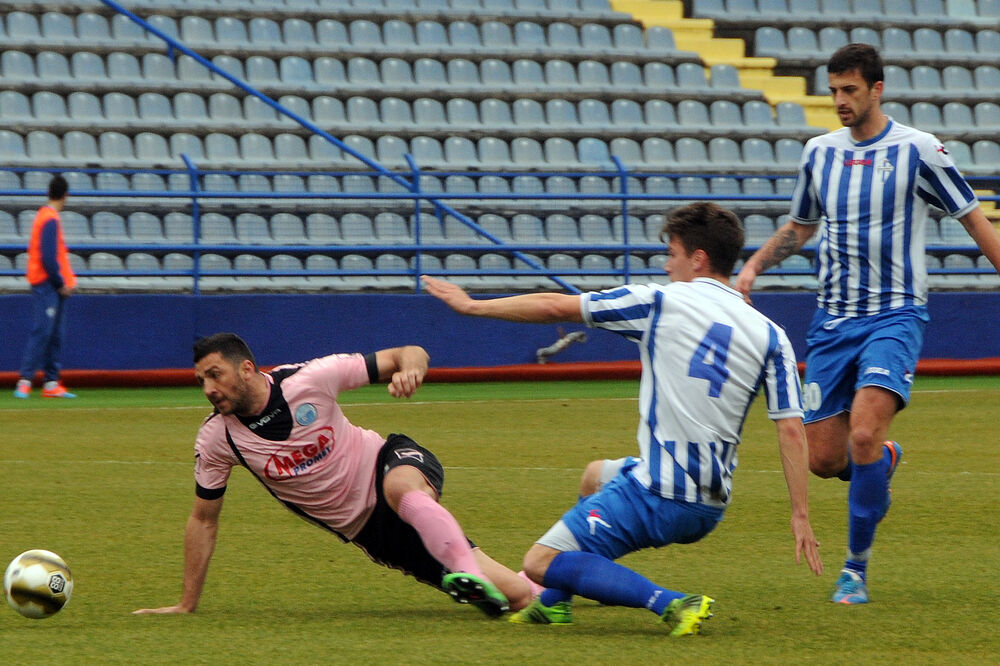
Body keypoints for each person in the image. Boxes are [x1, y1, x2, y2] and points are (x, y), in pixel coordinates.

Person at [422, 202, 823, 636]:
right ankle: (555, 605)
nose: (667, 266)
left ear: (698, 258)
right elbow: (789, 428)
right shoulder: (771, 334)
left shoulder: (660, 302)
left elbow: (557, 308)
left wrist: (473, 307)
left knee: (537, 563)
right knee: (594, 476)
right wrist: (800, 513)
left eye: (672, 254)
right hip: (710, 504)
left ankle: (670, 603)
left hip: (658, 495)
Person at [735, 44, 1000, 604]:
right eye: (833, 91)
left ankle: (854, 569)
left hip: (896, 314)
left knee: (860, 433)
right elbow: (800, 226)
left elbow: (974, 221)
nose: (839, 101)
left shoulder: (919, 150)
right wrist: (756, 263)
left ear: (877, 90)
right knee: (826, 458)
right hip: (832, 320)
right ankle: (882, 460)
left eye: (849, 90)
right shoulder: (819, 153)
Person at [133, 333, 535, 617]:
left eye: (215, 374)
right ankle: (554, 578)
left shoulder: (309, 379)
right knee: (517, 596)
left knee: (403, 491)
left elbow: (409, 351)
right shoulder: (217, 438)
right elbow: (203, 519)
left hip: (387, 462)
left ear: (247, 370)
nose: (208, 387)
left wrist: (411, 370)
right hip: (370, 531)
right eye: (201, 380)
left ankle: (464, 566)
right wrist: (186, 604)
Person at [14, 174, 77, 399]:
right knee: (43, 331)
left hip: (51, 284)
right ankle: (25, 380)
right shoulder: (50, 218)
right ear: (65, 196)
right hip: (47, 284)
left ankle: (51, 383)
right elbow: (49, 258)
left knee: (54, 334)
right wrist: (61, 283)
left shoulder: (46, 216)